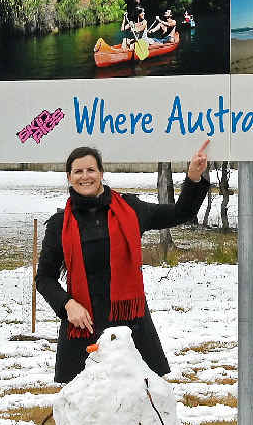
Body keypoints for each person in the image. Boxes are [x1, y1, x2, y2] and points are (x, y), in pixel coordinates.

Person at [36, 141, 211, 384]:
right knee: (87, 402)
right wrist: (67, 305)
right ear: (69, 177)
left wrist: (193, 178)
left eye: (91, 170)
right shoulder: (59, 224)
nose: (85, 176)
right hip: (84, 326)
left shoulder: (130, 209)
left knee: (140, 399)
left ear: (101, 173)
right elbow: (44, 278)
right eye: (78, 171)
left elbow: (180, 213)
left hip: (131, 325)